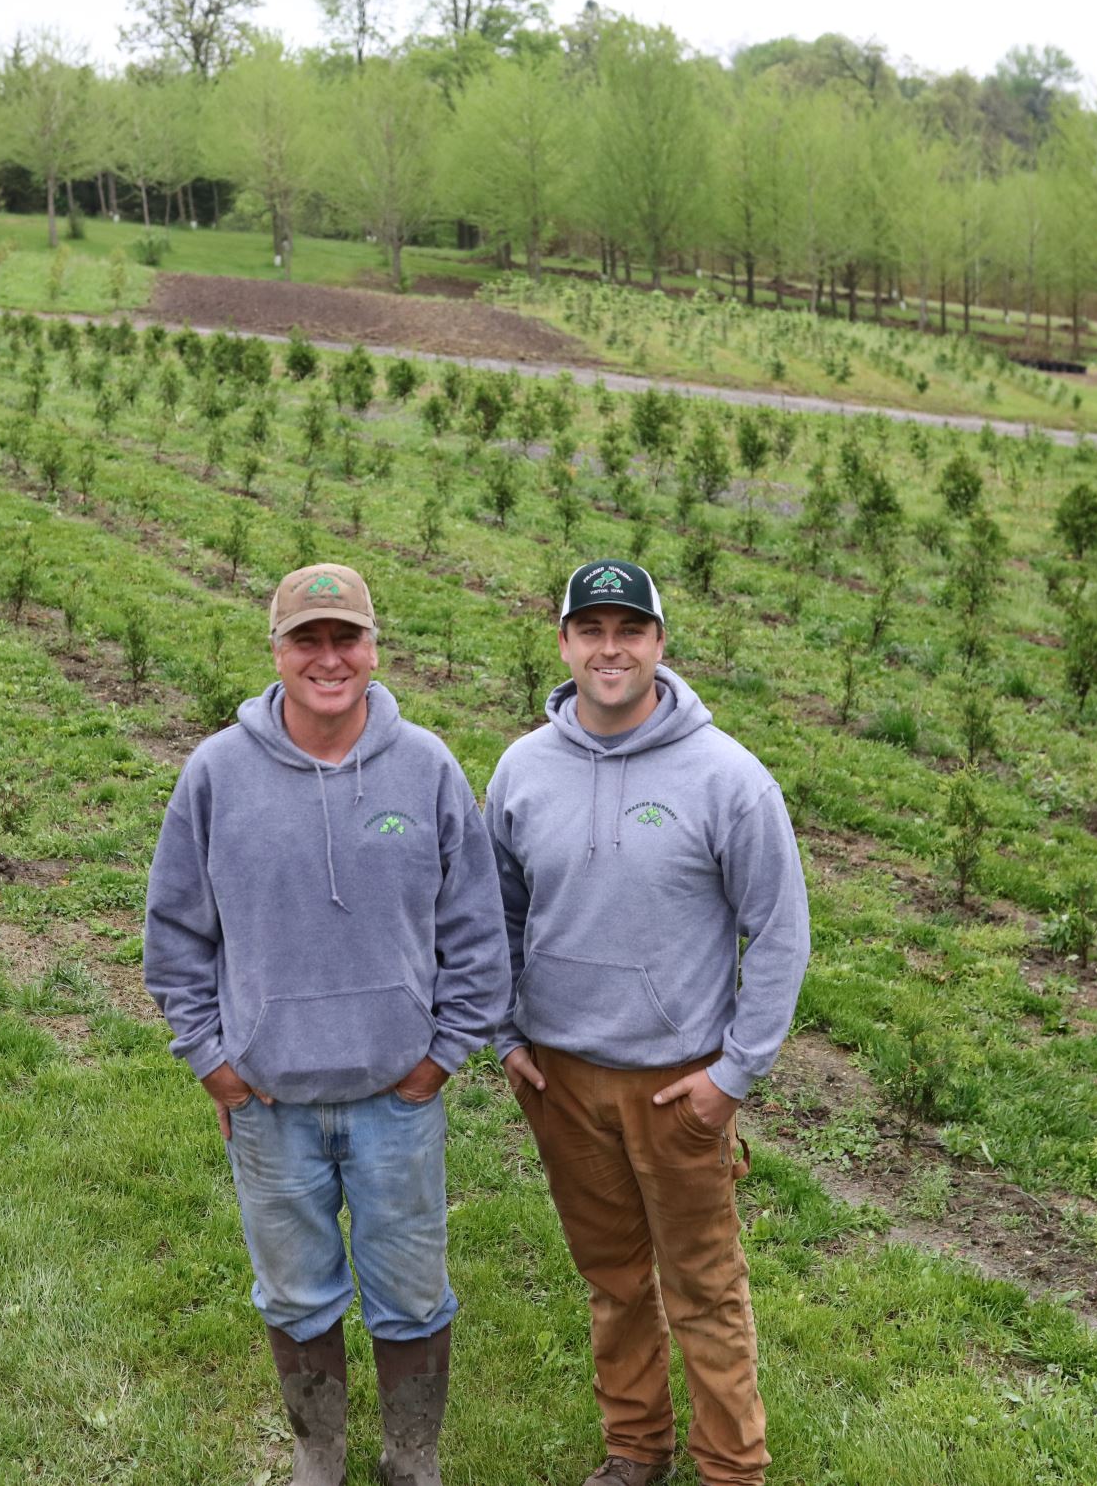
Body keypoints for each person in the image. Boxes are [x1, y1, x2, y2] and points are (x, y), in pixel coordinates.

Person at [144, 562, 510, 1486]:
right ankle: (319, 1453)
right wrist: (213, 1062)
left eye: (346, 637)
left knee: (412, 1293)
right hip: (269, 1104)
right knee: (297, 1292)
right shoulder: (216, 775)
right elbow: (176, 933)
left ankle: (411, 1459)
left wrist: (441, 1056)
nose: (329, 657)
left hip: (398, 1099)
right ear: (277, 651)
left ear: (374, 647)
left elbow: (474, 925)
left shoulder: (425, 766)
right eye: (308, 639)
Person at [486, 559, 812, 1486]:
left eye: (629, 628)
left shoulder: (728, 777)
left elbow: (780, 934)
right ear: (564, 642)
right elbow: (493, 916)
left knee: (704, 1287)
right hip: (560, 1077)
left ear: (661, 642)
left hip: (679, 1087)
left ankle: (731, 1468)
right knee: (614, 1280)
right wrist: (506, 1036)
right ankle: (634, 1448)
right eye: (590, 629)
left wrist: (734, 1074)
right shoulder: (521, 769)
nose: (610, 646)